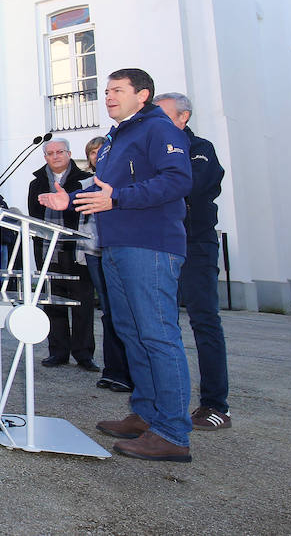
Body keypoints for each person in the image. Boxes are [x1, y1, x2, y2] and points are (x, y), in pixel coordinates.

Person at [39, 68, 193, 462]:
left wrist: (119, 199)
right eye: (106, 90)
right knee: (130, 331)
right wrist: (68, 200)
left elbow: (177, 180)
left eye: (117, 90)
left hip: (150, 245)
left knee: (157, 334)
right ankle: (144, 414)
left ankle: (173, 433)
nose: (107, 96)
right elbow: (100, 189)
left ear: (142, 95)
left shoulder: (158, 129)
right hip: (116, 246)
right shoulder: (115, 137)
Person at [153, 91, 231, 431]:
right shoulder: (151, 150)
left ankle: (215, 405)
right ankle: (163, 401)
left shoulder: (201, 150)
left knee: (204, 321)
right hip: (159, 244)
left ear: (182, 118)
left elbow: (187, 186)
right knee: (158, 324)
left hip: (195, 244)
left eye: (161, 115)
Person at [28, 138, 97, 371]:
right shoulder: (36, 184)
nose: (55, 156)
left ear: (69, 154)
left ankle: (84, 354)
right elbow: (34, 218)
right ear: (45, 157)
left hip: (77, 250)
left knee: (82, 304)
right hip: (48, 251)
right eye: (50, 153)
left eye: (60, 152)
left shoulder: (84, 181)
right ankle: (57, 352)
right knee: (52, 303)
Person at [81, 135, 131, 393]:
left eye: (101, 152)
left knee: (124, 312)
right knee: (109, 313)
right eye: (92, 153)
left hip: (121, 252)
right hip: (94, 252)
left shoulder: (124, 181)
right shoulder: (87, 185)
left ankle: (129, 371)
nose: (97, 156)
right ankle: (113, 371)